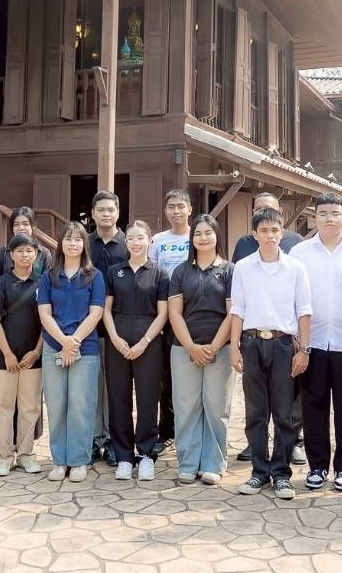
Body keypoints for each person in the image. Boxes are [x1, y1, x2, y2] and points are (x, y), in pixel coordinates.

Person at [229, 206, 314, 500]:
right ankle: (258, 472)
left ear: (282, 232)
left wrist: (304, 350)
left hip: (283, 345)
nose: (270, 236)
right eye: (264, 231)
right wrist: (234, 347)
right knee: (255, 413)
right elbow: (237, 309)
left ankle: (281, 474)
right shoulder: (243, 267)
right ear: (254, 234)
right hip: (251, 343)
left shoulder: (295, 268)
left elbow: (304, 311)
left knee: (283, 413)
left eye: (275, 230)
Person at [290, 192, 342, 492]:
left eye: (335, 213)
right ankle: (318, 466)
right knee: (313, 406)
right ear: (315, 217)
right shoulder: (299, 253)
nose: (329, 219)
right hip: (311, 343)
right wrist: (298, 341)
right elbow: (292, 296)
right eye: (323, 213)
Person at [168, 214, 235, 485]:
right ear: (191, 238)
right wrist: (191, 347)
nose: (203, 237)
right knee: (186, 407)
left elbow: (233, 314)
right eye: (197, 233)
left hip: (221, 349)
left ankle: (213, 463)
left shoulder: (229, 270)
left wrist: (214, 347)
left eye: (208, 232)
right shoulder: (181, 272)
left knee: (217, 407)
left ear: (217, 235)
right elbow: (174, 313)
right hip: (184, 349)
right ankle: (187, 462)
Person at [37, 222, 107, 482]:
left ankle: (78, 460)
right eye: (68, 239)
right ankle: (59, 461)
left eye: (78, 239)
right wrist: (63, 342)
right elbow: (44, 313)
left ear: (84, 244)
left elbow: (96, 312)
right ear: (61, 244)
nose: (73, 243)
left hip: (84, 349)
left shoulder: (94, 276)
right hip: (53, 347)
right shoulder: (49, 276)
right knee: (56, 405)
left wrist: (73, 341)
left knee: (80, 406)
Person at [102, 220, 171, 481]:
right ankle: (123, 456)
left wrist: (144, 341)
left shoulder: (159, 273)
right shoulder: (114, 272)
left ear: (150, 241)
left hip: (149, 339)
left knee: (147, 398)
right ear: (126, 242)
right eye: (131, 238)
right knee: (118, 397)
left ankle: (145, 454)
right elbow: (106, 309)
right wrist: (114, 337)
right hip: (117, 336)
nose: (135, 242)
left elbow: (163, 313)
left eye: (140, 237)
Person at [0, 232, 46, 476]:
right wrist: (7, 353)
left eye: (29, 251)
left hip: (33, 357)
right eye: (20, 251)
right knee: (3, 407)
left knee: (30, 407)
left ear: (36, 254)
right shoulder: (0, 283)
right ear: (11, 255)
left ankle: (25, 454)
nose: (25, 255)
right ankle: (2, 457)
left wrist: (36, 351)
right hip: (4, 357)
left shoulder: (43, 283)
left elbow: (47, 321)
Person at [87, 190, 130, 464]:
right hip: (88, 328)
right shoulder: (83, 243)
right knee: (92, 387)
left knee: (116, 389)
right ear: (93, 213)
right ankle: (94, 439)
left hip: (118, 328)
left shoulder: (128, 244)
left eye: (110, 209)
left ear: (118, 212)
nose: (106, 214)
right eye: (100, 209)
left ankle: (114, 440)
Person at [232, 192, 303, 262]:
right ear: (253, 212)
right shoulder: (244, 243)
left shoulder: (296, 241)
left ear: (280, 211)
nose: (264, 213)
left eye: (269, 209)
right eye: (258, 209)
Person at [0, 207, 54, 276]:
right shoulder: (2, 253)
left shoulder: (44, 253)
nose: (21, 228)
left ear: (33, 226)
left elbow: (46, 280)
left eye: (25, 224)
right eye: (16, 224)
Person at [150, 188, 194, 279]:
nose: (176, 211)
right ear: (165, 211)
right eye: (171, 207)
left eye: (180, 206)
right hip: (165, 287)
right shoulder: (157, 240)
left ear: (189, 210)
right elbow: (151, 271)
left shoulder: (198, 237)